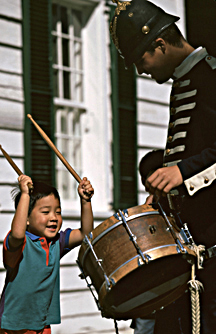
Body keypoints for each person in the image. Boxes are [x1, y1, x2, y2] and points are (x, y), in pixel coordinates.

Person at [110, 0, 216, 333]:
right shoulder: (184, 80)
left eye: (141, 59)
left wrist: (182, 172)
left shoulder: (210, 76)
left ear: (160, 44)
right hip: (193, 238)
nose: (140, 70)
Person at [0, 174, 94, 333]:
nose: (54, 218)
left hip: (43, 325)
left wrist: (85, 201)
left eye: (58, 212)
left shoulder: (58, 242)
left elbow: (85, 233)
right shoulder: (20, 244)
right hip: (13, 326)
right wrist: (24, 195)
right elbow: (17, 234)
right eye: (45, 212)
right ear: (26, 218)